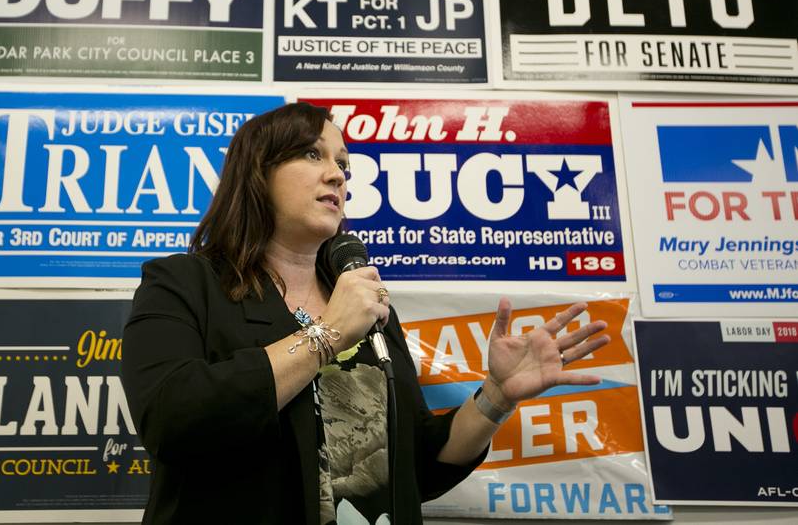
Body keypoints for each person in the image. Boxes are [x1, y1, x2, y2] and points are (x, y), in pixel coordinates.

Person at [122, 102, 609, 524]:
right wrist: (329, 333)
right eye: (313, 154)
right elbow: (172, 418)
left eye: (343, 164)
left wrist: (496, 398)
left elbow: (416, 464)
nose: (337, 174)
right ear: (257, 171)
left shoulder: (365, 300)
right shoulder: (184, 283)